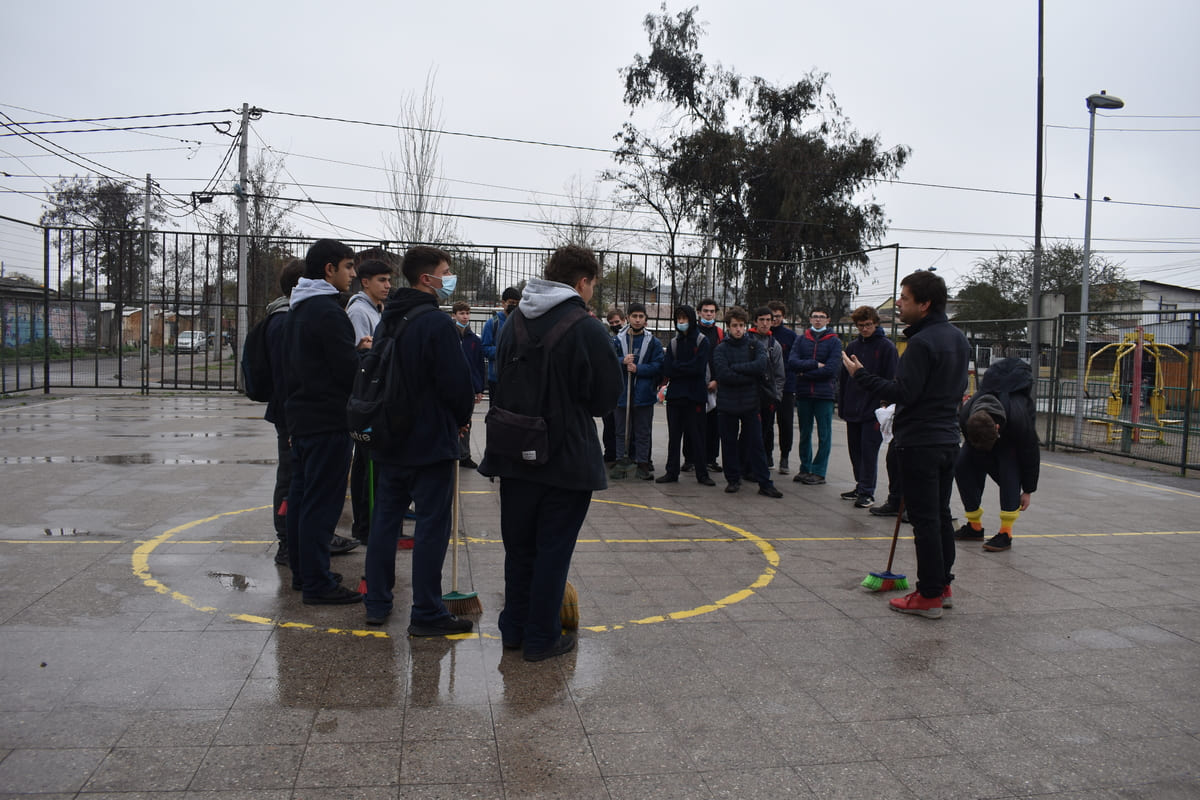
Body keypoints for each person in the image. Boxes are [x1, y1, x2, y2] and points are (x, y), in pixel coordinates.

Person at [479, 244, 623, 661]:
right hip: (565, 459)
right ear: (582, 282)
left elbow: (499, 380)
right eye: (593, 284)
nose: (592, 292)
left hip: (513, 451)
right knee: (553, 550)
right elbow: (603, 399)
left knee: (519, 548)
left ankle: (514, 629)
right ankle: (542, 638)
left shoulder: (513, 321)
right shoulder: (587, 327)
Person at [843, 270, 970, 619]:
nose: (898, 303)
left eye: (905, 298)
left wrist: (860, 376)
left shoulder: (922, 343)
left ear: (925, 304)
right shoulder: (957, 339)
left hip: (921, 443)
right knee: (940, 515)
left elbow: (903, 392)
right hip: (947, 440)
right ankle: (942, 584)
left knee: (926, 521)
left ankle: (928, 595)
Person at [363, 246, 476, 634]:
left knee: (385, 521)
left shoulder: (388, 318)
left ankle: (376, 600)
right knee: (431, 526)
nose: (450, 278)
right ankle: (426, 612)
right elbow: (457, 384)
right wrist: (461, 419)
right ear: (426, 279)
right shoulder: (435, 324)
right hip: (428, 441)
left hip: (389, 437)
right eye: (445, 272)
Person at [281, 239, 365, 605]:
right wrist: (364, 355)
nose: (352, 275)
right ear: (329, 269)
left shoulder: (298, 308)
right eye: (348, 267)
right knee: (321, 504)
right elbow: (345, 371)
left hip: (302, 417)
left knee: (302, 500)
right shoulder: (327, 311)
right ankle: (316, 583)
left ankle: (305, 573)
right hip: (327, 420)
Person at [953, 357, 1040, 552]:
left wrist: (1027, 489)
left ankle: (1005, 533)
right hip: (980, 437)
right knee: (962, 465)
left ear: (998, 428)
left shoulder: (1019, 418)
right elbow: (974, 452)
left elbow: (1030, 453)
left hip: (1009, 442)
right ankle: (974, 527)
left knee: (1009, 469)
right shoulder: (967, 415)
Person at [346, 258, 394, 546]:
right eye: (381, 280)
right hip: (366, 400)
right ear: (365, 282)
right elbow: (360, 356)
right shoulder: (359, 312)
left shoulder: (376, 310)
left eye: (388, 280)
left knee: (369, 465)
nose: (387, 285)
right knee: (366, 466)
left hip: (373, 399)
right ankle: (364, 526)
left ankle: (368, 523)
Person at [712, 307, 783, 498]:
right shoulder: (721, 349)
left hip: (751, 403)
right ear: (728, 327)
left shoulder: (754, 346)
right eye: (734, 325)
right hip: (727, 404)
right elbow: (723, 375)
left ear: (745, 326)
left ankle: (765, 482)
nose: (738, 329)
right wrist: (747, 375)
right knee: (728, 443)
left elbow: (761, 366)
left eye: (741, 325)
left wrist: (736, 368)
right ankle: (733, 479)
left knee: (756, 443)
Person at [263, 259, 305, 566]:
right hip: (290, 413)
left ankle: (300, 537)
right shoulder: (282, 320)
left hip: (295, 411)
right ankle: (286, 542)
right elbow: (286, 376)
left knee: (299, 476)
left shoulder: (292, 317)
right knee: (289, 477)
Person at [837, 305, 898, 508]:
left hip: (874, 409)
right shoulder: (853, 347)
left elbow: (891, 378)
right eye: (861, 325)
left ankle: (867, 491)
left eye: (868, 325)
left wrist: (885, 406)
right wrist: (842, 403)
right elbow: (844, 377)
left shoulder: (887, 347)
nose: (865, 329)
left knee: (868, 450)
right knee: (855, 449)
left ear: (876, 323)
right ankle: (860, 485)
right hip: (853, 407)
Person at [656, 304, 715, 486]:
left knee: (697, 436)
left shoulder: (701, 341)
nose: (681, 322)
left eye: (684, 318)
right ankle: (671, 471)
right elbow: (667, 368)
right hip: (675, 396)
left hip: (695, 395)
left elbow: (698, 368)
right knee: (674, 436)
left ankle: (702, 473)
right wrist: (683, 368)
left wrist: (679, 368)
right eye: (678, 319)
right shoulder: (674, 343)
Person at [790, 307, 842, 485]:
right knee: (805, 433)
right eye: (815, 317)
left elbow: (831, 369)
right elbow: (792, 362)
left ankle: (819, 471)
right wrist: (814, 364)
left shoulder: (835, 342)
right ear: (810, 319)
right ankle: (805, 468)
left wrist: (804, 373)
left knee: (824, 434)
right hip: (804, 394)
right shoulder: (801, 339)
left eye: (821, 317)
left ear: (828, 320)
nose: (818, 320)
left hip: (824, 395)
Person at [611, 302, 663, 480]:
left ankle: (642, 463)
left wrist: (638, 369)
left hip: (643, 395)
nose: (638, 320)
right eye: (634, 316)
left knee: (642, 431)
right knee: (620, 430)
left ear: (646, 319)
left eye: (641, 316)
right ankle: (620, 461)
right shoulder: (618, 340)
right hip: (622, 393)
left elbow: (658, 366)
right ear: (628, 318)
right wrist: (621, 361)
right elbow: (607, 360)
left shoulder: (653, 342)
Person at [685, 298, 724, 474]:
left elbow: (724, 359)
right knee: (691, 424)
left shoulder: (720, 334)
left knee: (714, 425)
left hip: (715, 385)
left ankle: (711, 459)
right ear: (699, 312)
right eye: (706, 311)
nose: (709, 314)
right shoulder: (692, 332)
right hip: (695, 384)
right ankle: (690, 458)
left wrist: (717, 380)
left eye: (712, 311)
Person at [751, 306, 786, 477]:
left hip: (767, 397)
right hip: (748, 395)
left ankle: (761, 465)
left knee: (764, 432)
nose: (765, 324)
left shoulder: (775, 345)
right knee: (748, 433)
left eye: (768, 320)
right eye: (761, 320)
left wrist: (776, 396)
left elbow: (780, 374)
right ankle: (745, 464)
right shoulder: (747, 339)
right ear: (755, 321)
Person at [453, 300, 486, 469]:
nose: (465, 317)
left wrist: (479, 388)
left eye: (467, 313)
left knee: (466, 421)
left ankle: (464, 454)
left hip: (470, 386)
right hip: (453, 385)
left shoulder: (474, 339)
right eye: (461, 314)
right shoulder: (449, 336)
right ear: (454, 315)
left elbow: (479, 364)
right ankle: (451, 453)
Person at [767, 301, 797, 473]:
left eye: (778, 316)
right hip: (767, 387)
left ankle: (785, 456)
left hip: (787, 387)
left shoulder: (790, 336)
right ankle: (768, 455)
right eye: (772, 316)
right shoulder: (764, 335)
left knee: (785, 423)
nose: (775, 319)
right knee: (767, 422)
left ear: (783, 317)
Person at [481, 287, 521, 401]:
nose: (514, 306)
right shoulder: (493, 323)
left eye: (517, 303)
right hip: (496, 378)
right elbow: (484, 348)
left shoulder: (521, 322)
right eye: (511, 303)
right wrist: (504, 351)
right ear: (503, 303)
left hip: (516, 377)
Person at [601, 307, 626, 464]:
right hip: (609, 388)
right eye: (612, 323)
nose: (615, 325)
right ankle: (610, 453)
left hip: (625, 387)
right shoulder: (607, 338)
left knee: (622, 426)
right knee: (609, 424)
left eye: (617, 322)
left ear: (624, 321)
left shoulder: (629, 338)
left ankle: (621, 454)